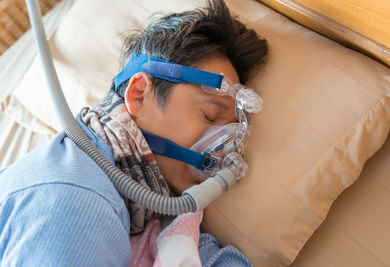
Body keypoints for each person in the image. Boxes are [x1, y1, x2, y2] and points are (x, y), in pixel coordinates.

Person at [0, 0, 267, 266]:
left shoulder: (143, 208)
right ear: (138, 95)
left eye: (226, 132)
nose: (221, 149)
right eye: (208, 116)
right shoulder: (78, 201)